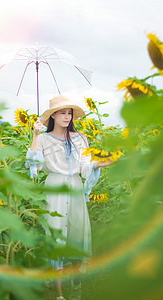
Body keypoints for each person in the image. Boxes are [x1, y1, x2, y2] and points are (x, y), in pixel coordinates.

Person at [25, 95, 113, 300]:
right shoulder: (45, 139)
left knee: (76, 233)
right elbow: (34, 166)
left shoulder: (80, 138)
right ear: (53, 115)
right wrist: (36, 134)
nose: (67, 116)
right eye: (62, 112)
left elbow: (84, 166)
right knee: (56, 235)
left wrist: (98, 164)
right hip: (55, 187)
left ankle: (76, 290)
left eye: (69, 112)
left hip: (74, 188)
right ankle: (59, 294)